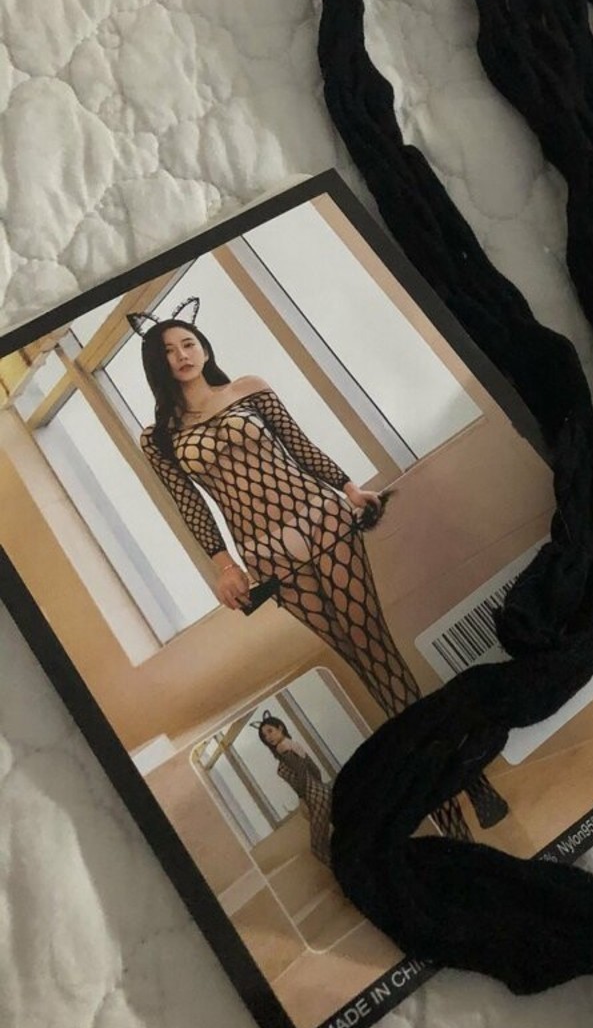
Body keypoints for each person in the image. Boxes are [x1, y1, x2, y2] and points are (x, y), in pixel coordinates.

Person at [131, 298, 507, 841]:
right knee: (373, 668)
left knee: (379, 659)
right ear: (157, 364)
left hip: (321, 521)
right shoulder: (159, 437)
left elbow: (301, 448)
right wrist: (224, 566)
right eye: (168, 351)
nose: (182, 355)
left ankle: (457, 807)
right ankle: (465, 789)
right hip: (267, 555)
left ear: (204, 348)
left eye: (188, 343)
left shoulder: (249, 389)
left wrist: (350, 489)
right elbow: (191, 506)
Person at [254, 711, 333, 865]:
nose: (268, 737)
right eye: (264, 736)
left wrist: (303, 797)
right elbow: (315, 770)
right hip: (321, 791)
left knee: (318, 848)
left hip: (313, 796)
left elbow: (301, 772)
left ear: (280, 728)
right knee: (328, 840)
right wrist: (319, 789)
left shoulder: (282, 747)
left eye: (270, 731)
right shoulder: (293, 744)